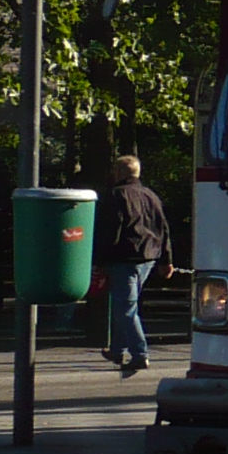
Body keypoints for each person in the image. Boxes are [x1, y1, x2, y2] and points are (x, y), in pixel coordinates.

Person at [95, 155, 172, 376]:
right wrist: (167, 260)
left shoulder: (116, 195)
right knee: (126, 305)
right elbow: (163, 229)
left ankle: (140, 354)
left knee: (125, 309)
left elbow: (111, 231)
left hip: (124, 258)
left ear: (118, 173)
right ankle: (118, 349)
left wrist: (100, 261)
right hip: (148, 257)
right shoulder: (151, 196)